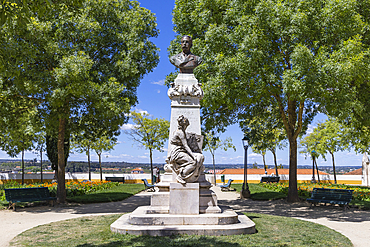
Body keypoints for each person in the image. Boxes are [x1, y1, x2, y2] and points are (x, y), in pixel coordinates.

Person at [166, 115, 204, 184]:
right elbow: (186, 146)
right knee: (193, 162)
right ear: (184, 125)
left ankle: (193, 173)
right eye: (186, 125)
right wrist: (193, 156)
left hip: (181, 151)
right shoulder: (180, 133)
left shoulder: (178, 131)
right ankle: (181, 176)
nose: (186, 127)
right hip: (177, 153)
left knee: (200, 156)